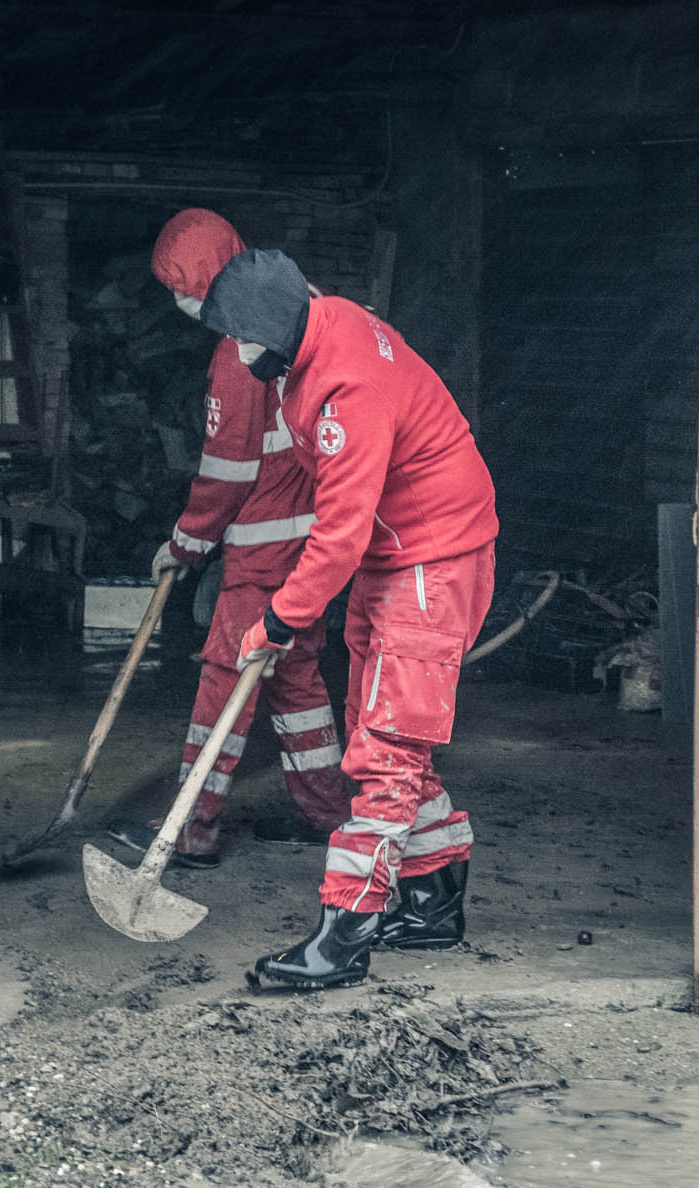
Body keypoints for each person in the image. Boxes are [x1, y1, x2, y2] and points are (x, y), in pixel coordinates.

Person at [198, 248, 499, 989]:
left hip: (430, 560)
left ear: (275, 331)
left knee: (387, 752)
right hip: (397, 553)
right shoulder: (323, 329)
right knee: (378, 727)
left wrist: (278, 621)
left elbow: (337, 535)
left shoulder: (348, 392)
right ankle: (432, 902)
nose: (238, 352)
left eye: (243, 339)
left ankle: (342, 937)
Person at [107, 210, 351, 870]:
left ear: (206, 281)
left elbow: (227, 472)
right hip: (312, 536)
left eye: (180, 288)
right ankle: (327, 812)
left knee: (226, 673)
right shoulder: (302, 311)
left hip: (265, 544)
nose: (179, 303)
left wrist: (185, 544)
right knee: (294, 674)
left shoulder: (237, 357)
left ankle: (191, 825)